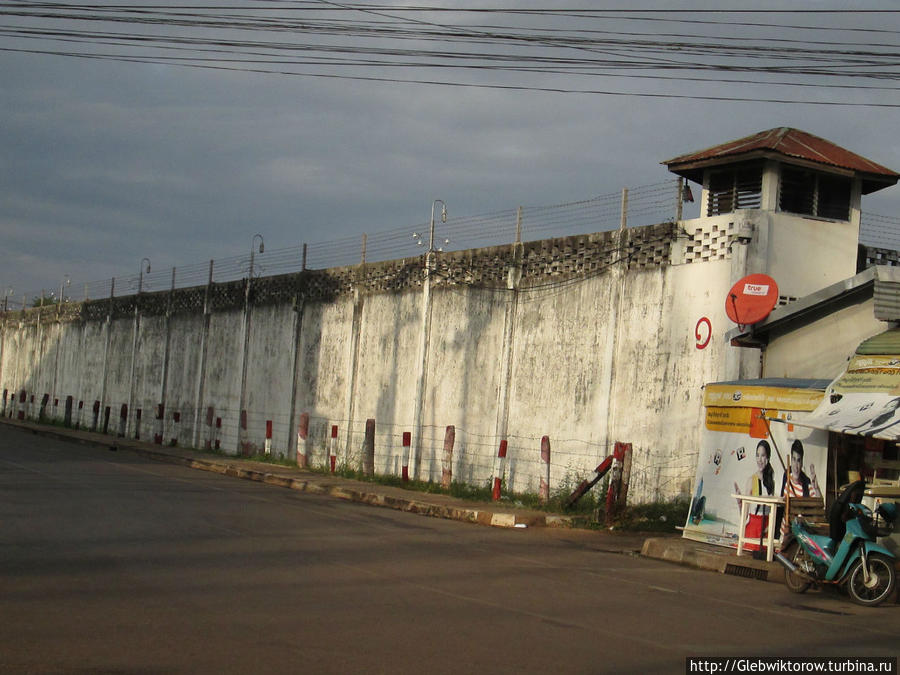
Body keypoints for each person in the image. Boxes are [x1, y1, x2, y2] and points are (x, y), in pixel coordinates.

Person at [733, 440, 776, 549]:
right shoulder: (751, 480)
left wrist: (769, 528)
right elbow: (745, 515)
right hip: (754, 527)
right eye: (757, 455)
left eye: (762, 455)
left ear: (768, 457)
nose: (759, 460)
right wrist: (739, 503)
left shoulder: (771, 481)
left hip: (767, 529)